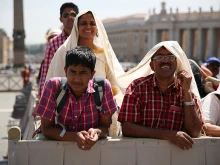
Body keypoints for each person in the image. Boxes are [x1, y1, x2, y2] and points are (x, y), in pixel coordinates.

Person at [118, 41, 203, 150]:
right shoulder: (137, 88)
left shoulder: (185, 90)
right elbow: (127, 128)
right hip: (141, 155)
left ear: (177, 63)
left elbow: (195, 132)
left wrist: (186, 93)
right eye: (159, 57)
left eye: (171, 57)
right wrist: (167, 135)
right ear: (152, 65)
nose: (166, 60)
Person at [35, 46, 117, 150]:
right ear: (65, 71)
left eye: (83, 73)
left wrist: (96, 132)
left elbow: (105, 128)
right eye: (72, 72)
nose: (77, 79)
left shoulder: (103, 87)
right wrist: (74, 136)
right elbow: (46, 129)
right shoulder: (53, 86)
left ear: (92, 74)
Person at [46, 10, 125, 99]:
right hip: (69, 108)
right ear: (77, 27)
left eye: (92, 23)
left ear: (97, 28)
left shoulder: (104, 54)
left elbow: (113, 82)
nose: (88, 27)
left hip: (98, 109)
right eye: (83, 23)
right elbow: (58, 82)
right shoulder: (65, 50)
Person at [38, 2, 79, 98]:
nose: (70, 17)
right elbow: (46, 71)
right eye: (66, 15)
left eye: (73, 14)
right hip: (61, 93)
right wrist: (41, 97)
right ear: (61, 19)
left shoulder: (85, 38)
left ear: (78, 17)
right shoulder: (53, 43)